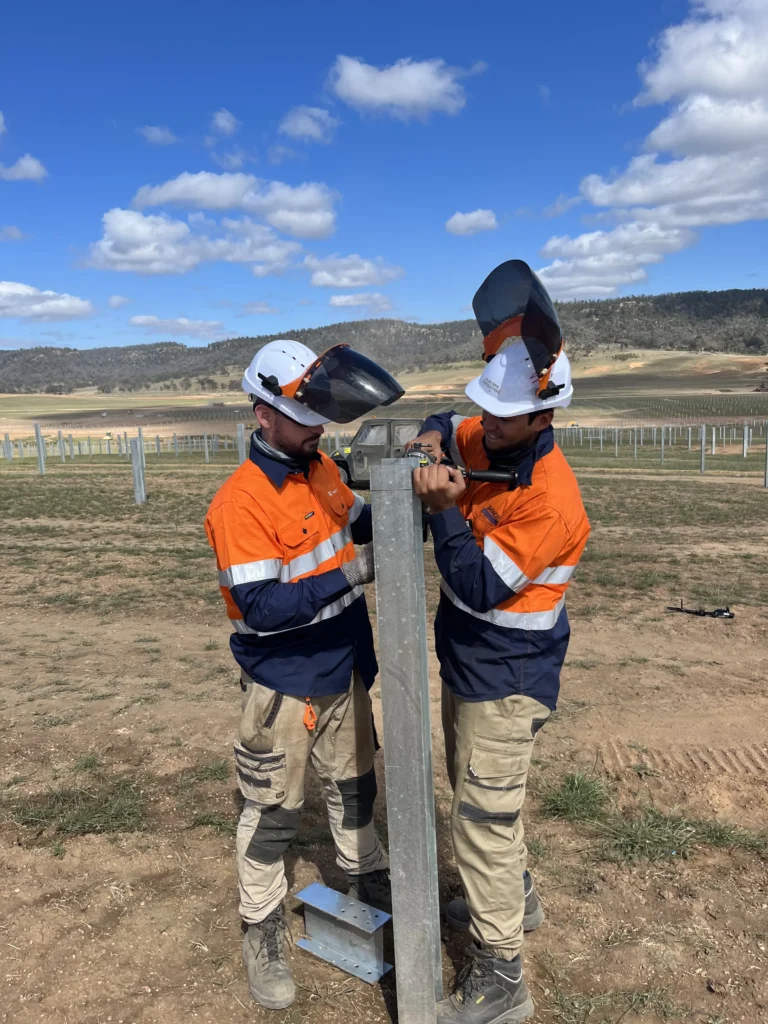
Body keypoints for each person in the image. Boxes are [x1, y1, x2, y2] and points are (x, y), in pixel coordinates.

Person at [408, 261, 591, 1023]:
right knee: (484, 803)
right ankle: (512, 897)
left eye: (504, 416)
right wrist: (429, 435)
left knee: (481, 818)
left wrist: (444, 511)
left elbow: (482, 586)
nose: (489, 423)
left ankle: (502, 979)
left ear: (543, 418)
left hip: (508, 679)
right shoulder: (501, 429)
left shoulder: (551, 504)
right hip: (472, 665)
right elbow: (454, 425)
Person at [204, 339, 403, 1010]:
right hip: (282, 682)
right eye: (300, 413)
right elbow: (262, 607)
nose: (316, 424)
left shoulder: (320, 468)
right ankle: (261, 931)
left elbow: (363, 519)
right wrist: (353, 571)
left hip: (343, 665)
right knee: (271, 815)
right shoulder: (240, 504)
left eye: (317, 410)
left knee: (354, 787)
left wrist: (413, 509)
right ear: (263, 415)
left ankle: (366, 880)